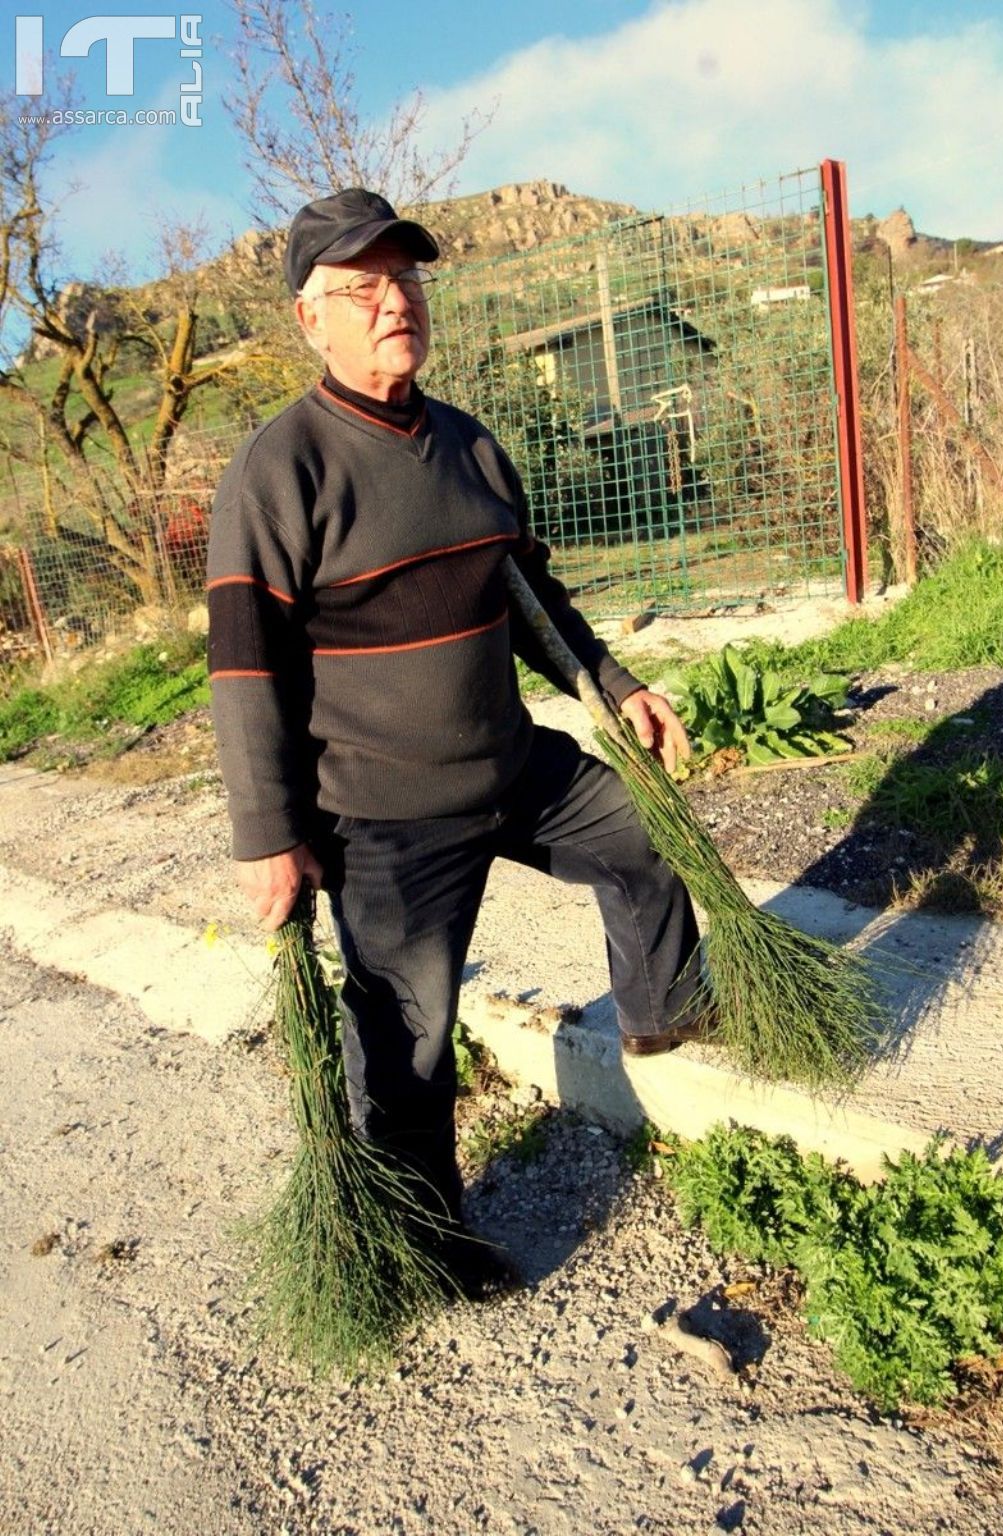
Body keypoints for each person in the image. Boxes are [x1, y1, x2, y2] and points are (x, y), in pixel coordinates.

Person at [207, 188, 711, 1298]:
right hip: (385, 816)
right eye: (364, 287)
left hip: (513, 764)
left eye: (407, 281)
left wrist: (612, 686)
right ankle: (424, 1245)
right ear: (311, 318)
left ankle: (663, 1016)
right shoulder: (280, 469)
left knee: (644, 831)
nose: (395, 303)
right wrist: (269, 834)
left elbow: (531, 596)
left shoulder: (470, 447)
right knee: (410, 1046)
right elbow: (244, 668)